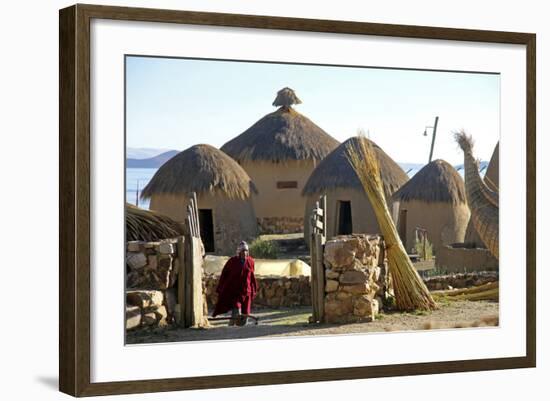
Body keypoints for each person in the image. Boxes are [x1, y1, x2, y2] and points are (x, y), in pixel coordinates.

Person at [212, 241, 257, 326]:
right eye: (243, 251)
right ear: (239, 252)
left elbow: (252, 277)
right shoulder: (232, 261)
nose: (244, 253)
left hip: (246, 292)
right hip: (235, 292)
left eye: (246, 251)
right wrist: (221, 287)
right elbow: (224, 274)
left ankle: (241, 331)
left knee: (245, 314)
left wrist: (253, 289)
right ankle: (231, 326)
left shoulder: (250, 261)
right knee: (236, 311)